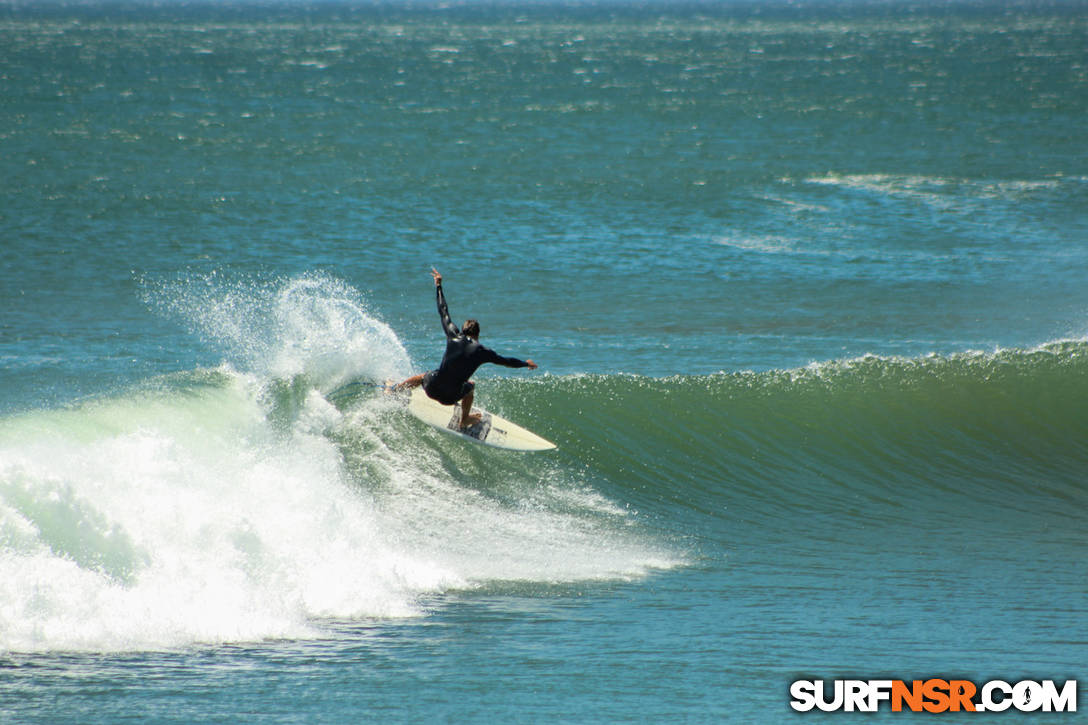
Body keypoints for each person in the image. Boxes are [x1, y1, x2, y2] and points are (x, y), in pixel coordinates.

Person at [396, 268, 538, 428]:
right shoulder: (483, 352)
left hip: (432, 388)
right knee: (471, 386)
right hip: (450, 398)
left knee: (423, 376)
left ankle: (397, 389)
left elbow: (443, 311)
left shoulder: (453, 335)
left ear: (463, 331)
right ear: (478, 334)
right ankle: (464, 420)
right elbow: (507, 362)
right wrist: (526, 363)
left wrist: (439, 286)